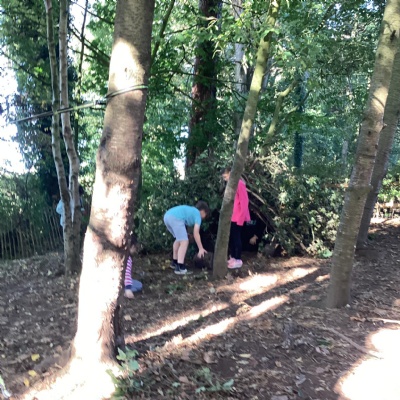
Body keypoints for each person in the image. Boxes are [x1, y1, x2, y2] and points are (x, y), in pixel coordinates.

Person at [164, 201, 209, 275]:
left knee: (179, 240)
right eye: (206, 214)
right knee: (184, 241)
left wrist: (186, 234)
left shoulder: (191, 211)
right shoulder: (198, 214)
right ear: (203, 211)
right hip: (175, 218)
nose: (205, 217)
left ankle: (175, 262)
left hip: (167, 216)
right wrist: (201, 248)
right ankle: (180, 267)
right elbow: (196, 233)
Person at [221, 167, 250, 269]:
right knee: (232, 238)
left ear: (230, 173)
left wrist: (241, 218)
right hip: (233, 217)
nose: (225, 179)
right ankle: (233, 257)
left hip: (238, 217)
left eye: (225, 177)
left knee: (237, 238)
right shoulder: (232, 185)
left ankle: (238, 259)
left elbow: (244, 202)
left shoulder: (240, 184)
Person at [124, 233, 143, 299]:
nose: (135, 250)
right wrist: (128, 288)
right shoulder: (127, 259)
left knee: (138, 284)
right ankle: (123, 291)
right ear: (131, 247)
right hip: (121, 281)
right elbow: (127, 274)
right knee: (138, 286)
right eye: (135, 247)